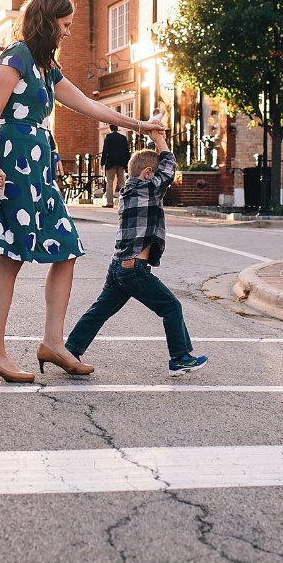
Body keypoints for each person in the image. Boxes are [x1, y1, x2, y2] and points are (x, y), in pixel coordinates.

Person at [0, 0, 166, 383]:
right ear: (48, 20)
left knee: (66, 249)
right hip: (13, 164)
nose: (68, 31)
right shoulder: (15, 57)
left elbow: (87, 105)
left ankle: (53, 342)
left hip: (40, 166)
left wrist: (140, 126)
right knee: (12, 256)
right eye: (64, 25)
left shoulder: (47, 67)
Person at [65, 115, 209, 377]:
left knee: (100, 311)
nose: (160, 183)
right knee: (171, 307)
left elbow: (159, 169)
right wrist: (159, 139)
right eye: (154, 175)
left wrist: (152, 141)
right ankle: (179, 357)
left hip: (119, 266)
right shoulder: (148, 189)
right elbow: (168, 167)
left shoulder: (131, 190)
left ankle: (71, 349)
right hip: (134, 269)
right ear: (147, 174)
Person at [100, 123, 131, 208]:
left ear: (110, 129)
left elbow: (105, 151)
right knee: (122, 182)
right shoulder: (123, 138)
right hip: (121, 163)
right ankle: (125, 202)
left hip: (111, 162)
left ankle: (110, 203)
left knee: (110, 182)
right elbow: (127, 152)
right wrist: (127, 164)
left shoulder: (108, 137)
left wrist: (102, 162)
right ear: (117, 129)